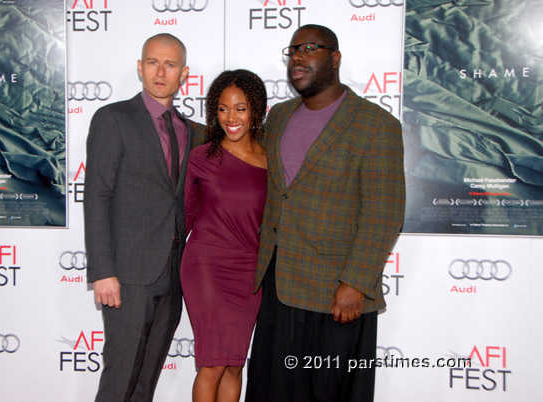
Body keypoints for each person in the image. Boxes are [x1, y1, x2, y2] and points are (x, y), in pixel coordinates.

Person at [245, 24, 406, 402]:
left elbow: (384, 211)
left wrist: (355, 283)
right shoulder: (280, 117)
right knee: (273, 390)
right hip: (279, 285)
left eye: (310, 48)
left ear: (335, 58)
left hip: (335, 293)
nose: (298, 56)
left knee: (330, 392)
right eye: (293, 50)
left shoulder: (376, 125)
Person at [84, 33, 202, 402]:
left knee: (145, 382)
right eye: (153, 62)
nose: (160, 71)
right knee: (120, 378)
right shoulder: (113, 119)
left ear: (184, 73)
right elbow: (97, 196)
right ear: (140, 67)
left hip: (172, 274)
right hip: (127, 275)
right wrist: (103, 271)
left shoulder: (193, 132)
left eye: (170, 64)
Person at [181, 69, 268, 402]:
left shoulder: (270, 160)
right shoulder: (201, 158)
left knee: (235, 365)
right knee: (213, 364)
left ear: (256, 111)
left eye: (241, 108)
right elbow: (187, 215)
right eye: (222, 108)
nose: (231, 118)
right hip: (206, 266)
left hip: (249, 270)